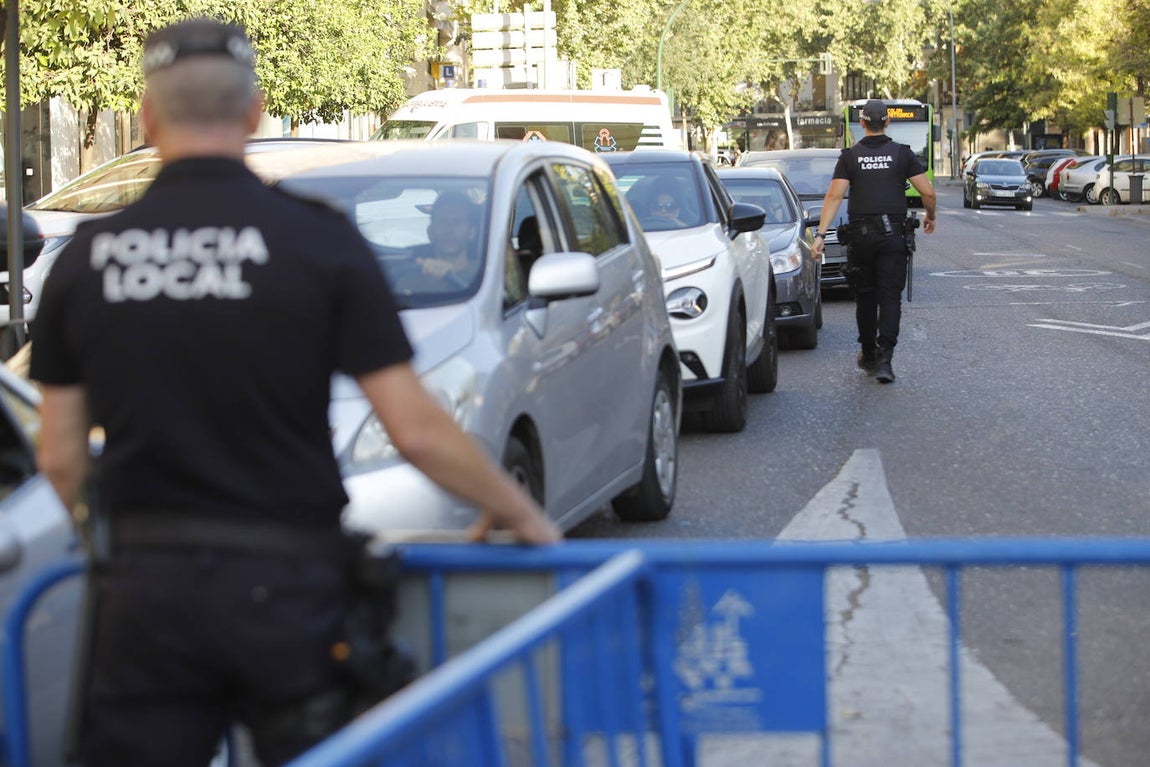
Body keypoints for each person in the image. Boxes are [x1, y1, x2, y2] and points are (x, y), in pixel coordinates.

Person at [29, 18, 559, 767]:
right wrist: (514, 508)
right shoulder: (318, 241)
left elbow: (59, 458)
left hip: (149, 594)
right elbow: (416, 429)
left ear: (148, 118)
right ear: (255, 114)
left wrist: (107, 547)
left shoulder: (88, 258)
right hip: (289, 588)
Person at [811, 99, 936, 383]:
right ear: (888, 122)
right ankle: (885, 360)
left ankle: (868, 353)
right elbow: (927, 192)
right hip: (893, 237)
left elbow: (834, 196)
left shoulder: (850, 156)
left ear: (863, 124)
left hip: (861, 238)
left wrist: (820, 235)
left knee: (866, 297)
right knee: (890, 297)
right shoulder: (902, 154)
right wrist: (931, 216)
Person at [410, 190, 480, 288]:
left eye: (458, 222)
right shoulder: (410, 279)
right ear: (430, 231)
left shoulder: (485, 275)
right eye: (442, 221)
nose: (449, 229)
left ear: (472, 232)